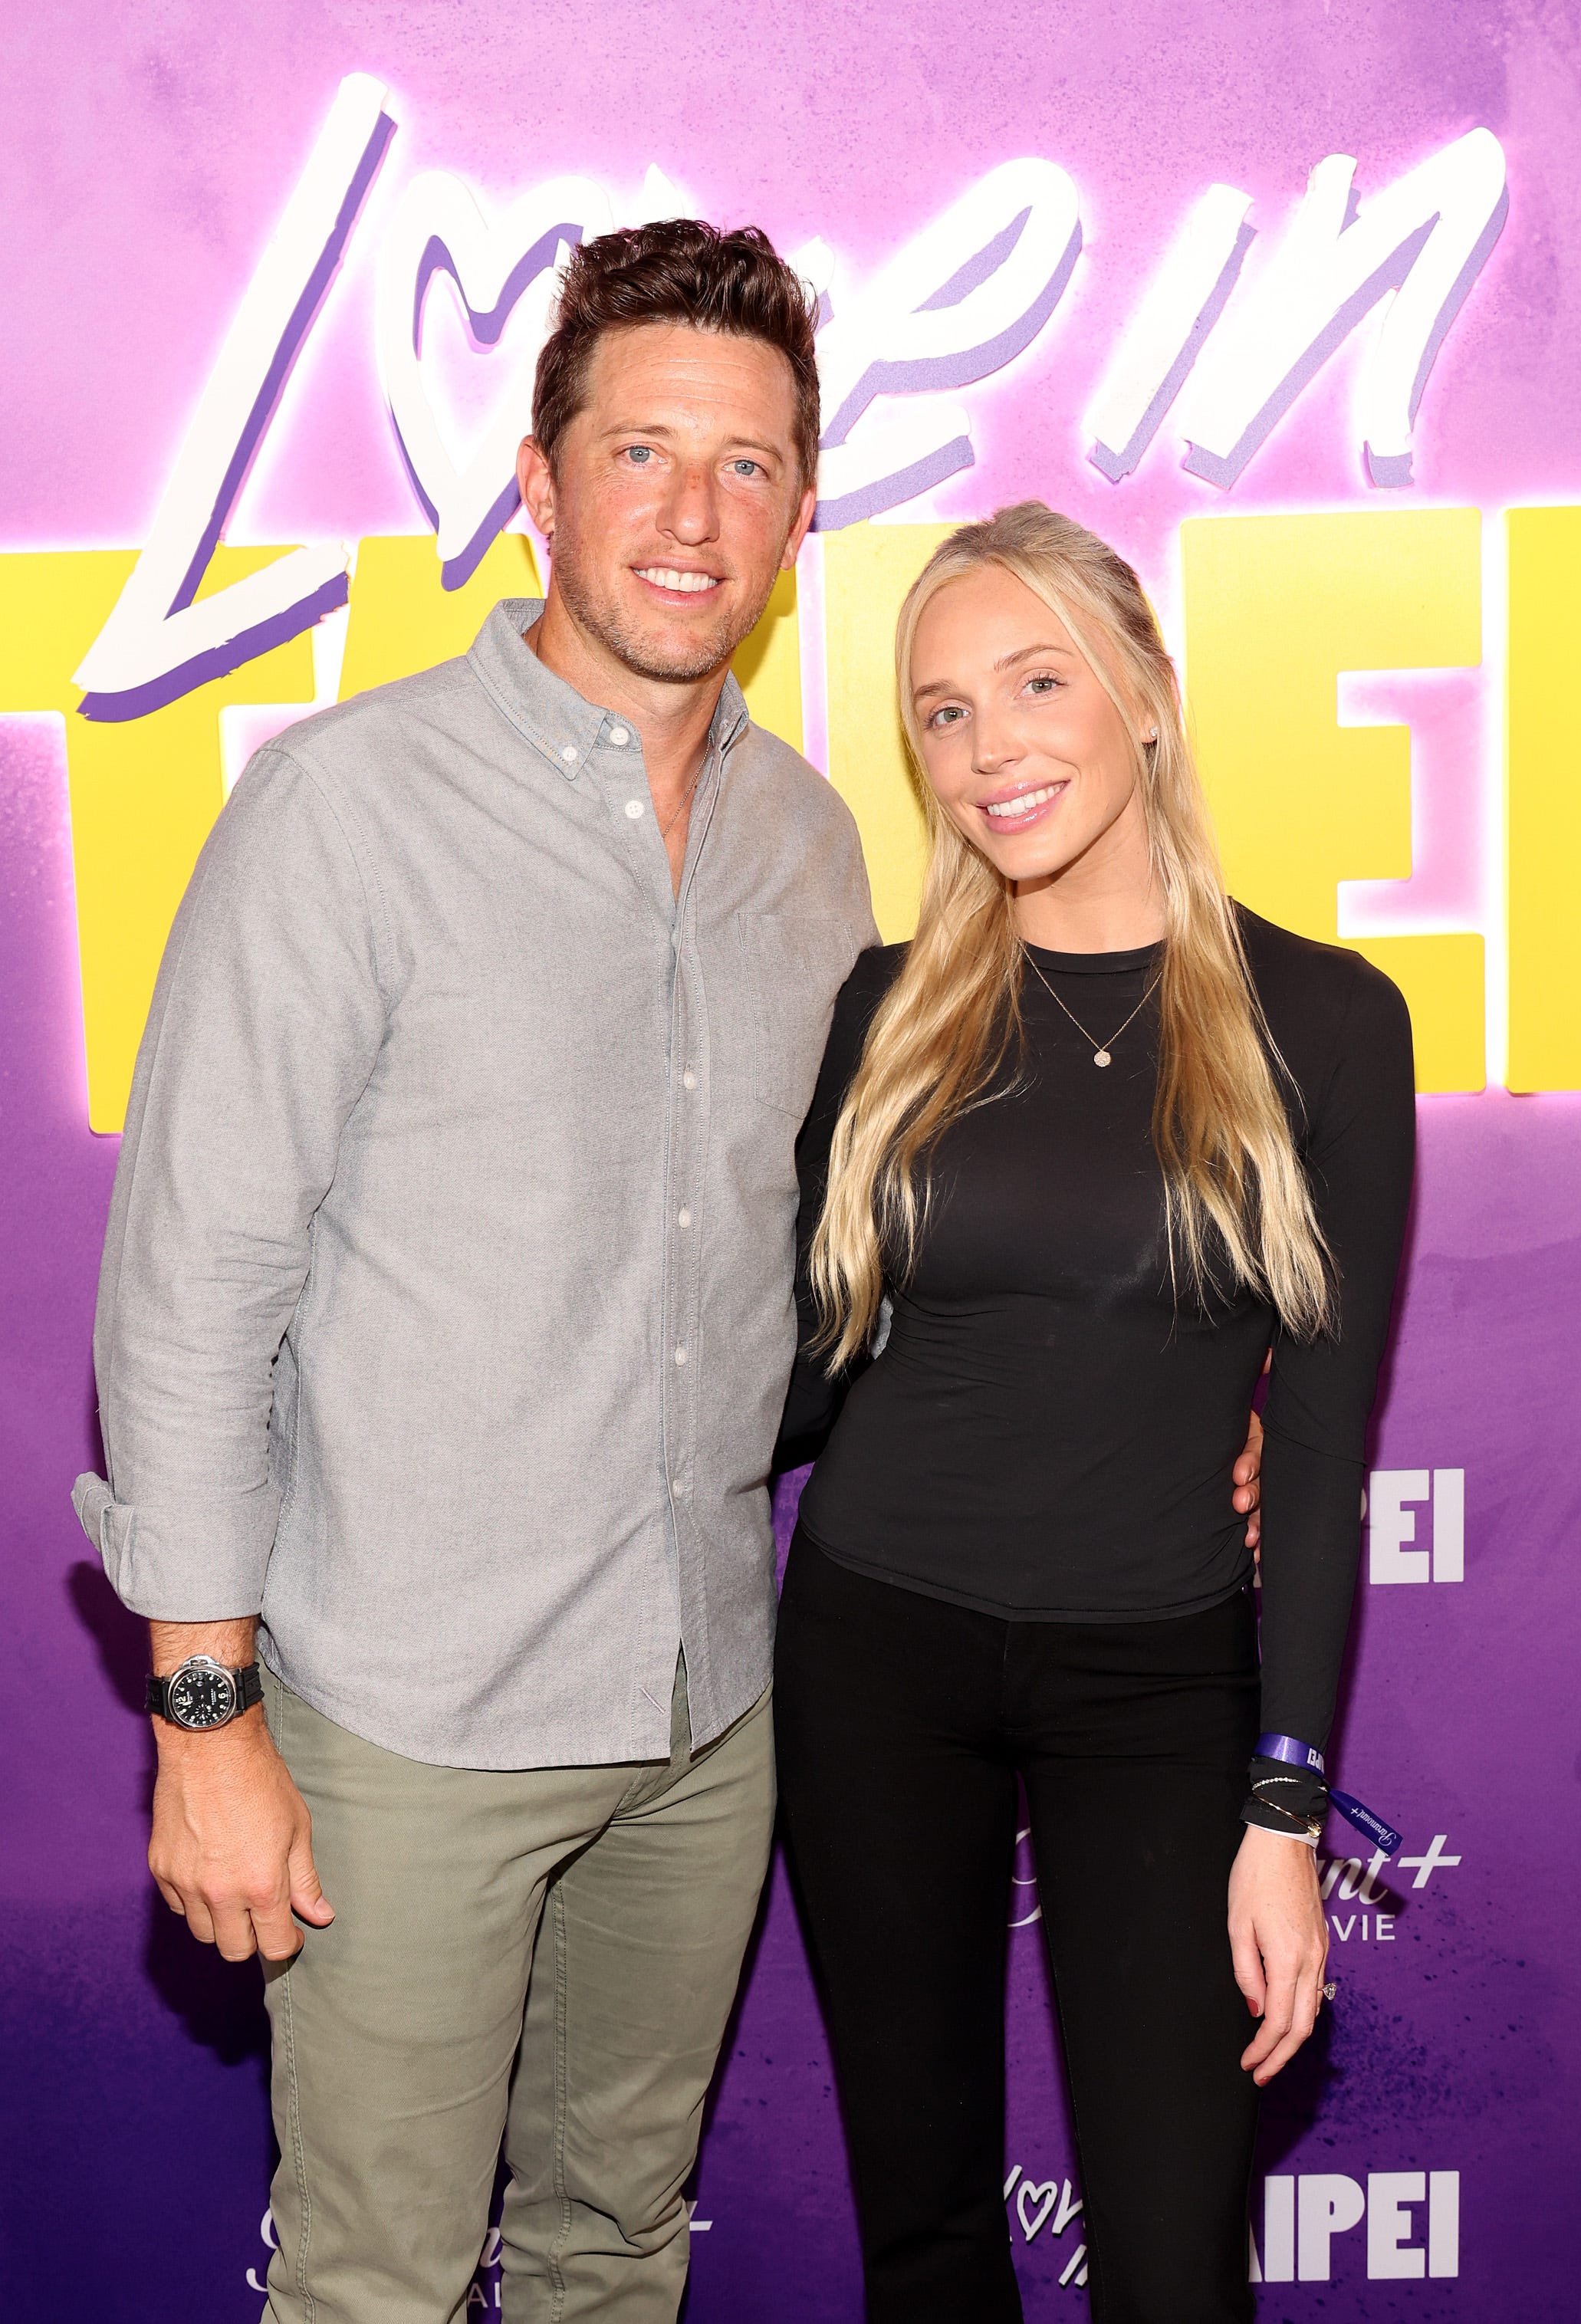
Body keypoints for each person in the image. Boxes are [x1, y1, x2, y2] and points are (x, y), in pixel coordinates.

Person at [71, 221, 877, 2324]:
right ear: (538, 482)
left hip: (702, 1709)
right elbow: (191, 1293)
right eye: (640, 452)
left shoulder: (813, 848)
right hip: (401, 1721)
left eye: (748, 463)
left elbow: (855, 1257)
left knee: (618, 2250)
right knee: (375, 2281)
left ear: (801, 506)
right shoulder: (343, 814)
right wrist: (206, 1720)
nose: (691, 515)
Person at [773, 504, 1415, 2324]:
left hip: (1162, 1682)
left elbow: (1322, 1440)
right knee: (929, 2239)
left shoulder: (1329, 1021)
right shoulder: (889, 1012)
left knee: (1169, 2262)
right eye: (945, 713)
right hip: (874, 1655)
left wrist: (1283, 1806)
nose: (992, 750)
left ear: (1146, 692)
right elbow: (798, 1376)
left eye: (1037, 681)